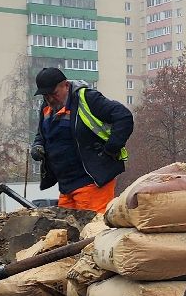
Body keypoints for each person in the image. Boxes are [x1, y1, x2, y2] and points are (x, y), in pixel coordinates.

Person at [30, 67, 133, 214]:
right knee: (67, 227)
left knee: (93, 226)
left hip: (92, 183)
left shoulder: (87, 99)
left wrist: (111, 149)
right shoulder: (46, 108)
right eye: (46, 96)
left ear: (66, 85)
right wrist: (38, 145)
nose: (50, 99)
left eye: (54, 94)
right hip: (66, 186)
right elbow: (42, 134)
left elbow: (123, 117)